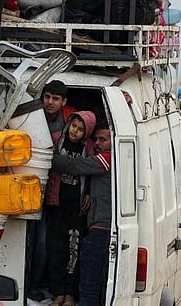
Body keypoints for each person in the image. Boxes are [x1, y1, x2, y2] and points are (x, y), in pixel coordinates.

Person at [51, 121, 113, 306]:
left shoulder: (107, 159)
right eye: (96, 139)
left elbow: (75, 165)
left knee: (88, 289)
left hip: (101, 230)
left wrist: (45, 157)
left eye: (103, 139)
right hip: (100, 228)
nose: (98, 144)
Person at [28, 79, 76, 301]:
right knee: (28, 240)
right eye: (47, 97)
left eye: (55, 98)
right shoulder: (30, 114)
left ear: (63, 101)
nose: (49, 102)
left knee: (45, 242)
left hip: (56, 193)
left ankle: (38, 284)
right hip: (28, 187)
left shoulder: (70, 119)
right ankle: (29, 285)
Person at [45, 111, 96, 306]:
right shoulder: (57, 140)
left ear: (87, 132)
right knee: (55, 249)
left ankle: (70, 294)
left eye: (81, 129)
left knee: (74, 251)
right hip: (56, 204)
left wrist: (89, 193)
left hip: (77, 208)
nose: (75, 131)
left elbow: (91, 172)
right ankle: (57, 293)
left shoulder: (89, 147)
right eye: (74, 126)